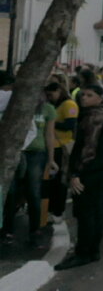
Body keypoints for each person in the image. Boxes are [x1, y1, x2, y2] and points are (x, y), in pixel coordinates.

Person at [53, 85, 103, 270]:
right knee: (94, 213)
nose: (84, 98)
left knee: (86, 213)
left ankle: (84, 253)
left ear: (100, 98)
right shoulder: (98, 114)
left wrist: (77, 172)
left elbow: (89, 148)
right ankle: (91, 251)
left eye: (89, 95)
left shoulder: (94, 117)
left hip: (89, 172)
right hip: (98, 170)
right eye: (83, 95)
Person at [1, 88, 56, 247]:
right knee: (10, 192)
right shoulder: (16, 107)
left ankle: (35, 230)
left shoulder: (48, 109)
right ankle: (7, 229)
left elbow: (49, 135)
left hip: (36, 153)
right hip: (15, 152)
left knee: (34, 191)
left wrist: (51, 159)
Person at [47, 82, 78, 222]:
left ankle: (58, 210)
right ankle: (52, 208)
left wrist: (51, 123)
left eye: (51, 94)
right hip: (54, 146)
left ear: (59, 90)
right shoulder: (57, 105)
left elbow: (69, 125)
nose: (50, 97)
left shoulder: (69, 105)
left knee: (60, 180)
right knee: (53, 181)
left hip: (62, 146)